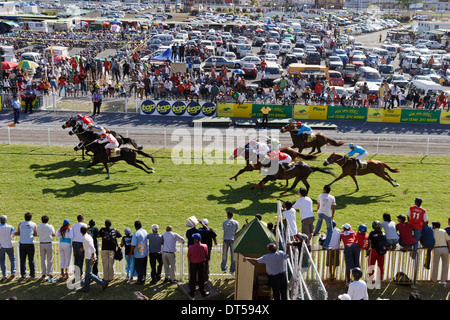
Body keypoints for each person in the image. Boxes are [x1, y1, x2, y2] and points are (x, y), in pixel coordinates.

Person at [79, 226, 108, 293]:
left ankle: (103, 283)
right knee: (88, 273)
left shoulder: (85, 238)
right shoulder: (88, 237)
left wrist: (92, 258)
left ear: (80, 232)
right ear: (86, 230)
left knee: (89, 273)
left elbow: (92, 249)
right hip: (89, 256)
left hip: (89, 257)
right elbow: (90, 247)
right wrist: (83, 249)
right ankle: (86, 288)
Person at [313, 185, 336, 249]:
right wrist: (332, 217)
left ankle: (316, 232)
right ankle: (326, 245)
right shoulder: (332, 197)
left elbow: (318, 205)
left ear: (324, 190)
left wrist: (318, 211)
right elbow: (333, 208)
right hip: (327, 214)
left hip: (320, 212)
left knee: (319, 221)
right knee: (330, 230)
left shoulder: (320, 196)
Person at [187, 233, 209, 298]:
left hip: (193, 263)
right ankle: (202, 292)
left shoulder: (191, 247)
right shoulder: (204, 246)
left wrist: (193, 259)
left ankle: (192, 292)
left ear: (195, 240)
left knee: (192, 278)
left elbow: (189, 256)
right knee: (201, 277)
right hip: (201, 263)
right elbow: (206, 254)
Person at [16, 212, 37, 279]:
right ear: (31, 218)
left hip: (22, 243)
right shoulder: (33, 224)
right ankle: (32, 273)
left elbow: (18, 233)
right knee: (31, 259)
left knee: (22, 259)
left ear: (24, 217)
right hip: (30, 243)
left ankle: (23, 274)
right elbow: (35, 234)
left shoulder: (20, 224)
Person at [197, 219, 217, 283]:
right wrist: (215, 242)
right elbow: (214, 236)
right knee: (206, 262)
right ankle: (206, 276)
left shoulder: (199, 230)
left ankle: (200, 277)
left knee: (200, 262)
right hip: (208, 248)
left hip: (201, 248)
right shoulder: (210, 230)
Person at [431, 221, 450, 286]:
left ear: (434, 226)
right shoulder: (443, 231)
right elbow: (448, 240)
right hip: (445, 248)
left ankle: (434, 279)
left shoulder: (433, 232)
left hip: (437, 248)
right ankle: (443, 280)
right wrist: (449, 248)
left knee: (435, 264)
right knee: (445, 265)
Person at [36, 215, 55, 280]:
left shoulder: (38, 227)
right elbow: (53, 234)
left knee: (42, 259)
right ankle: (49, 273)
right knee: (50, 259)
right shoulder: (50, 226)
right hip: (48, 243)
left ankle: (43, 273)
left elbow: (38, 234)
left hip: (41, 243)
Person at [129, 221, 148, 285]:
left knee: (138, 267)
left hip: (138, 254)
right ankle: (143, 278)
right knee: (143, 267)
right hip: (145, 253)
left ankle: (140, 280)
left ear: (135, 226)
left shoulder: (135, 234)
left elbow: (133, 245)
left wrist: (130, 252)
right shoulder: (145, 231)